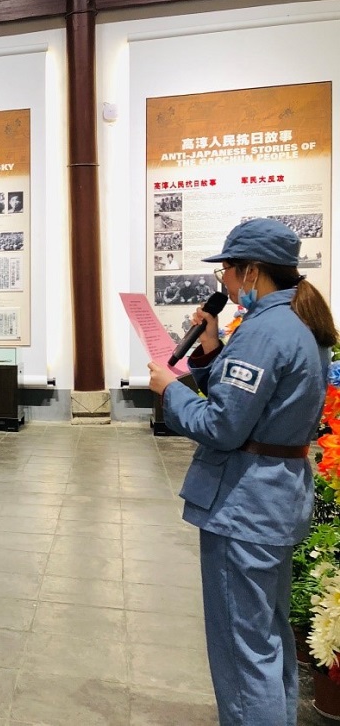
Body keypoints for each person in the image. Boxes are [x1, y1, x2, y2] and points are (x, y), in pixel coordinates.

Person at [148, 218, 337, 726]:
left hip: (244, 506)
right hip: (276, 500)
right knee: (266, 638)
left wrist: (171, 391)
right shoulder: (300, 322)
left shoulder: (263, 331)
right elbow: (253, 403)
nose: (224, 284)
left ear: (252, 271)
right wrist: (211, 345)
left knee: (242, 654)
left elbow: (222, 425)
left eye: (226, 272)